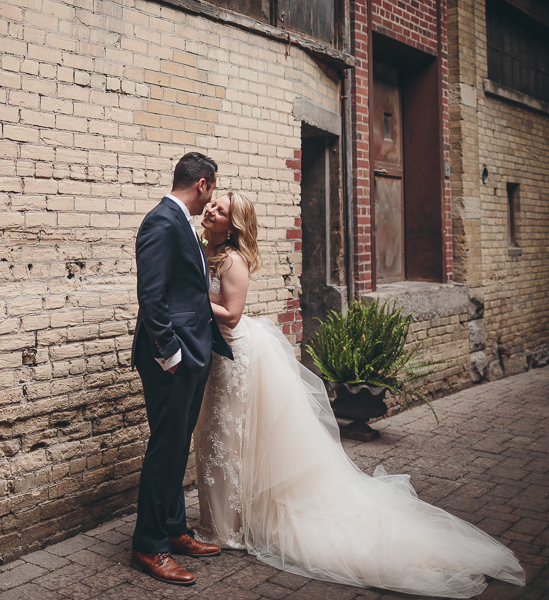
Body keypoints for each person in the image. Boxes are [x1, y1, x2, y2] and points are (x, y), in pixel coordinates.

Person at [193, 191, 526, 598]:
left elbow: (231, 313)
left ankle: (228, 529)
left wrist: (192, 302)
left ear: (234, 224)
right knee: (218, 438)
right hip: (216, 355)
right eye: (213, 205)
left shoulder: (232, 260)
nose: (211, 210)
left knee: (229, 438)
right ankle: (221, 520)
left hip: (235, 357)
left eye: (221, 210)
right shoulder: (206, 247)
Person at [129, 152, 233, 586]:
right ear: (204, 183)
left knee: (176, 447)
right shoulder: (161, 222)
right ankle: (149, 545)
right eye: (211, 191)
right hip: (170, 361)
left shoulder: (182, 224)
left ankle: (174, 530)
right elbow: (151, 298)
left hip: (192, 356)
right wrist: (171, 356)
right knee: (165, 448)